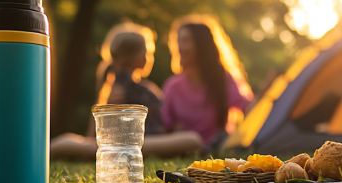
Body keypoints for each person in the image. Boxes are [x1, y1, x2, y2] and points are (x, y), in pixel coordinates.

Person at [50, 22, 202, 161]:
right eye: (147, 52)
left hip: (130, 144)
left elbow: (92, 136)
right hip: (140, 143)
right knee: (193, 140)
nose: (150, 57)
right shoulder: (131, 90)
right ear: (138, 57)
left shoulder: (119, 86)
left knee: (192, 139)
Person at [161, 15, 253, 150]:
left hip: (218, 144)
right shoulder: (173, 86)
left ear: (202, 45)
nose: (180, 47)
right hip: (187, 145)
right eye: (178, 41)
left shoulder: (223, 79)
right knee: (191, 140)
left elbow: (248, 108)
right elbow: (164, 126)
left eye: (186, 41)